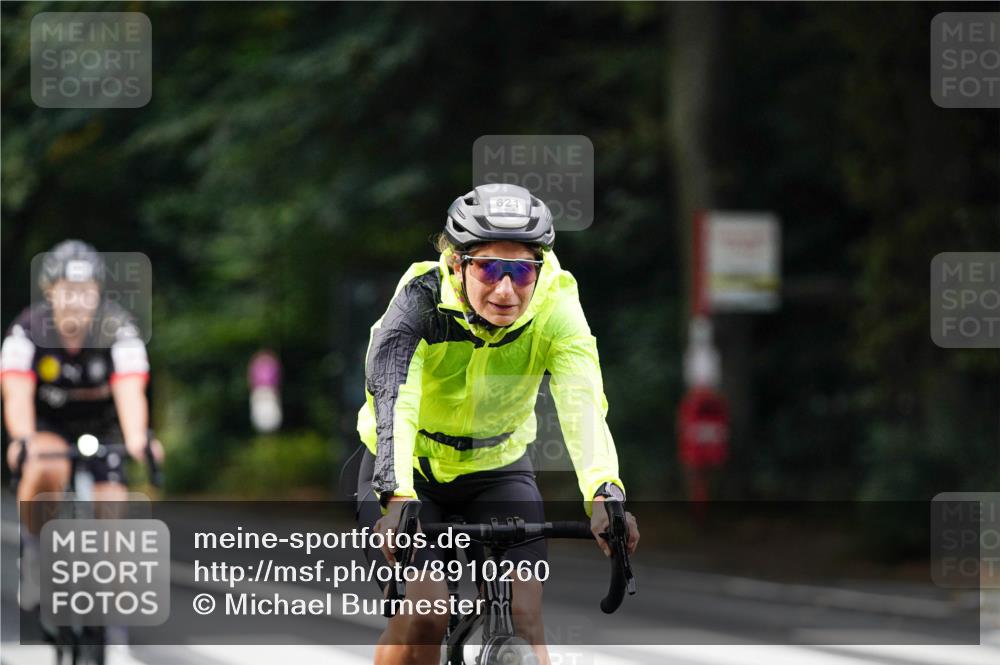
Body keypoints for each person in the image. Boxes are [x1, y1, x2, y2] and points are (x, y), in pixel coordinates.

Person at [356, 184, 639, 665]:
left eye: (522, 271)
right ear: (456, 264)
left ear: (539, 269)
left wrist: (603, 492)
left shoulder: (555, 308)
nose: (506, 290)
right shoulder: (418, 305)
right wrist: (397, 496)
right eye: (488, 269)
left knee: (525, 617)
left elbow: (582, 403)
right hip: (411, 471)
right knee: (425, 614)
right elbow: (394, 403)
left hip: (498, 467)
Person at [1, 240, 164, 638]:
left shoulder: (120, 329)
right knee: (45, 467)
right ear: (50, 292)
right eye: (68, 291)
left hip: (103, 426)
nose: (77, 301)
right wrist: (22, 439)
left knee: (113, 515)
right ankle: (36, 552)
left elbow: (130, 391)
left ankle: (110, 625)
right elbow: (16, 393)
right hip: (49, 424)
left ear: (98, 293)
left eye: (86, 291)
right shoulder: (26, 330)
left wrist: (138, 438)